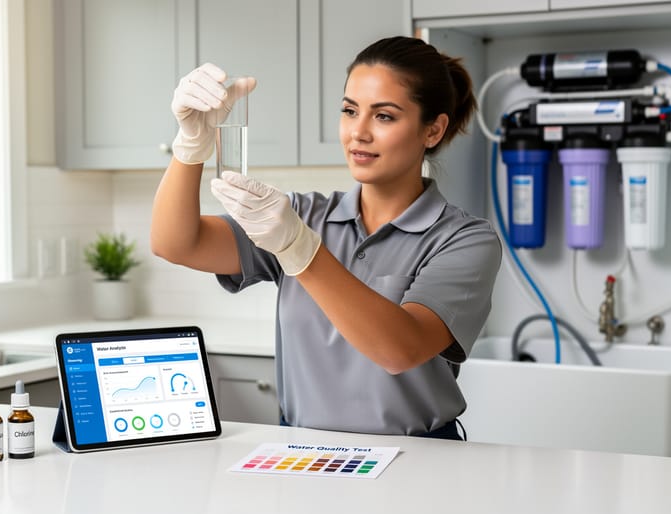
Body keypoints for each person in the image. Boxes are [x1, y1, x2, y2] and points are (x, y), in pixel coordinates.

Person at [151, 36, 501, 440]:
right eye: (350, 111)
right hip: (301, 452)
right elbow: (175, 243)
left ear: (433, 130)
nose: (359, 132)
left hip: (419, 455)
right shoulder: (303, 216)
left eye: (384, 116)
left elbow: (400, 349)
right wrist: (190, 146)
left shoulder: (464, 239)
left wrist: (300, 249)